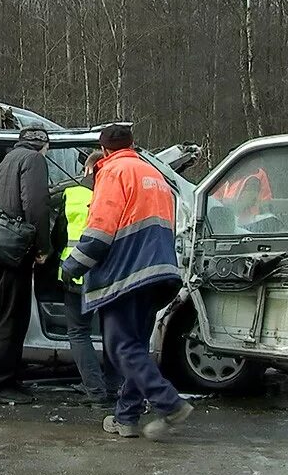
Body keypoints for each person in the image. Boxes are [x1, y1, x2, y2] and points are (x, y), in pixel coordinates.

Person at [62, 124, 192, 441]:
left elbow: (101, 229)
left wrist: (73, 264)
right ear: (131, 145)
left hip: (126, 274)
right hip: (159, 272)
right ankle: (127, 417)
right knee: (135, 347)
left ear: (104, 151)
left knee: (121, 347)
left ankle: (170, 403)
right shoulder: (153, 175)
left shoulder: (113, 172)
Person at [0, 127, 52, 404]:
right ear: (42, 145)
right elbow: (36, 206)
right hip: (13, 251)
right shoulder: (33, 160)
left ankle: (5, 377)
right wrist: (43, 247)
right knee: (14, 316)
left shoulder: (3, 163)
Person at [58, 151, 118, 407]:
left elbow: (58, 233)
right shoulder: (113, 196)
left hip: (75, 275)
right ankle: (114, 389)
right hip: (107, 276)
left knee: (78, 333)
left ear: (86, 170)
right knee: (111, 335)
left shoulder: (71, 194)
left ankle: (95, 390)